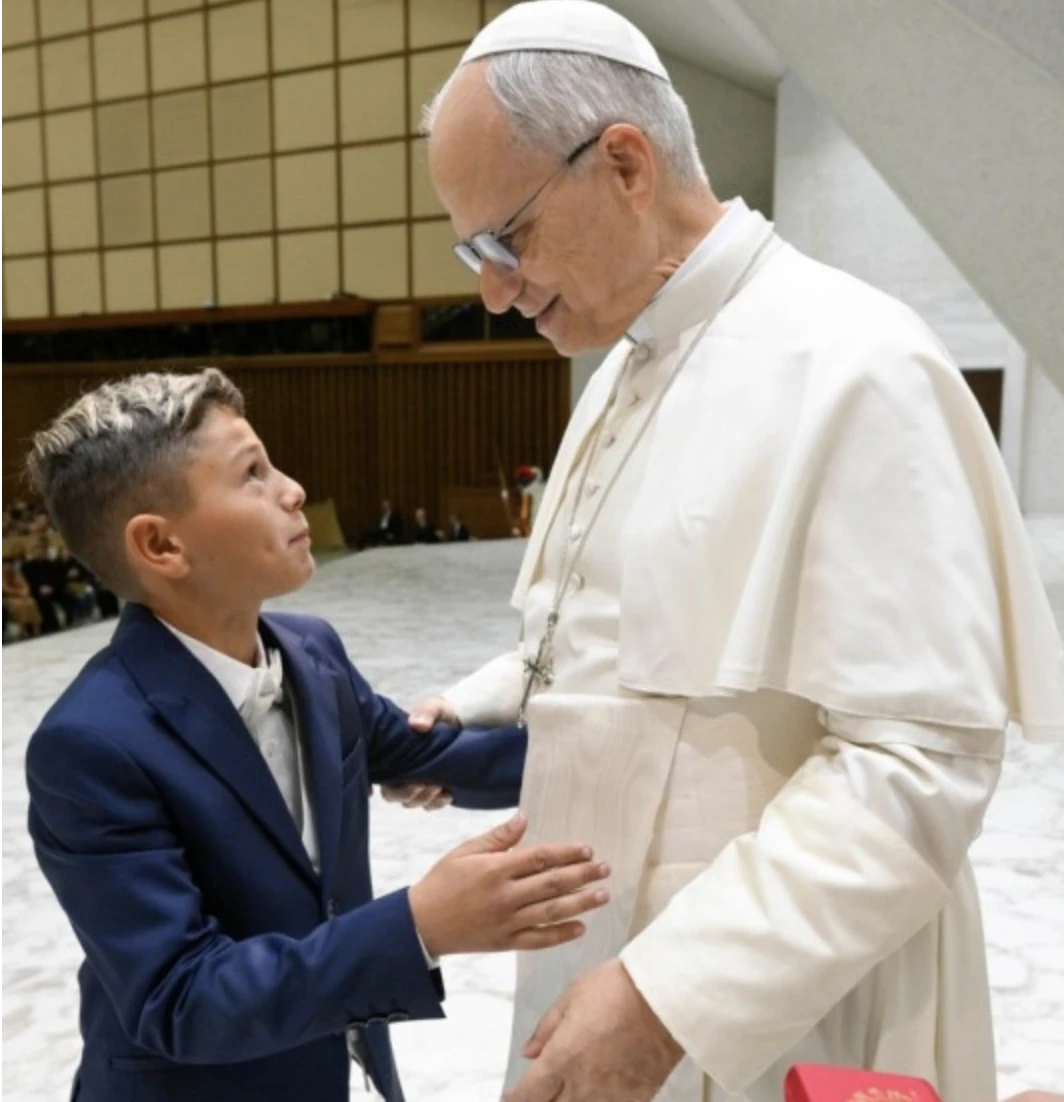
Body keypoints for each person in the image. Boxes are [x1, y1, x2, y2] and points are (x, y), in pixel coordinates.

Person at [393, 3, 1064, 1101]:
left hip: (780, 1000)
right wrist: (470, 709)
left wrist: (673, 992)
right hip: (601, 953)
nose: (490, 289)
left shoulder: (856, 365)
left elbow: (915, 764)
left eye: (504, 237)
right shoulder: (620, 368)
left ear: (622, 163)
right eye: (473, 250)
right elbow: (603, 642)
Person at [24, 368, 611, 1102]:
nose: (293, 489)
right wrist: (420, 924)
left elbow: (434, 756)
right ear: (161, 546)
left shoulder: (312, 654)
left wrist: (624, 746)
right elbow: (180, 998)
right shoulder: (91, 744)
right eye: (253, 475)